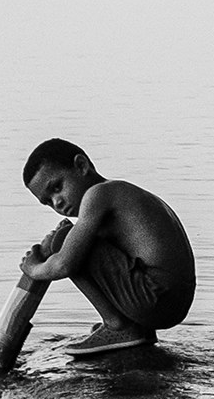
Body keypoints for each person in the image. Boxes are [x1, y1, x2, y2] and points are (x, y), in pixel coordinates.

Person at [16, 138, 197, 359]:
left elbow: (65, 264)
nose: (58, 203)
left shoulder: (98, 195)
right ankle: (130, 325)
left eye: (57, 187)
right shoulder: (116, 194)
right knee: (69, 238)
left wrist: (33, 268)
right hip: (172, 304)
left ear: (81, 166)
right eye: (48, 202)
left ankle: (118, 326)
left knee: (64, 242)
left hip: (154, 297)